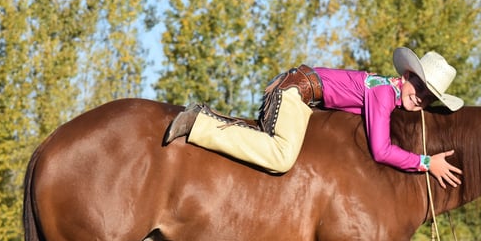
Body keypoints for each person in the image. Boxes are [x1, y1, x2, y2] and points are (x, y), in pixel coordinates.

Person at [164, 47, 464, 187]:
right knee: (282, 156)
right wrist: (427, 162)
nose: (421, 97)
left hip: (303, 92)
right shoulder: (384, 94)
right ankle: (200, 123)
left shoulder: (385, 92)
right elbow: (381, 150)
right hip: (297, 92)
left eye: (429, 97)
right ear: (408, 75)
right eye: (420, 87)